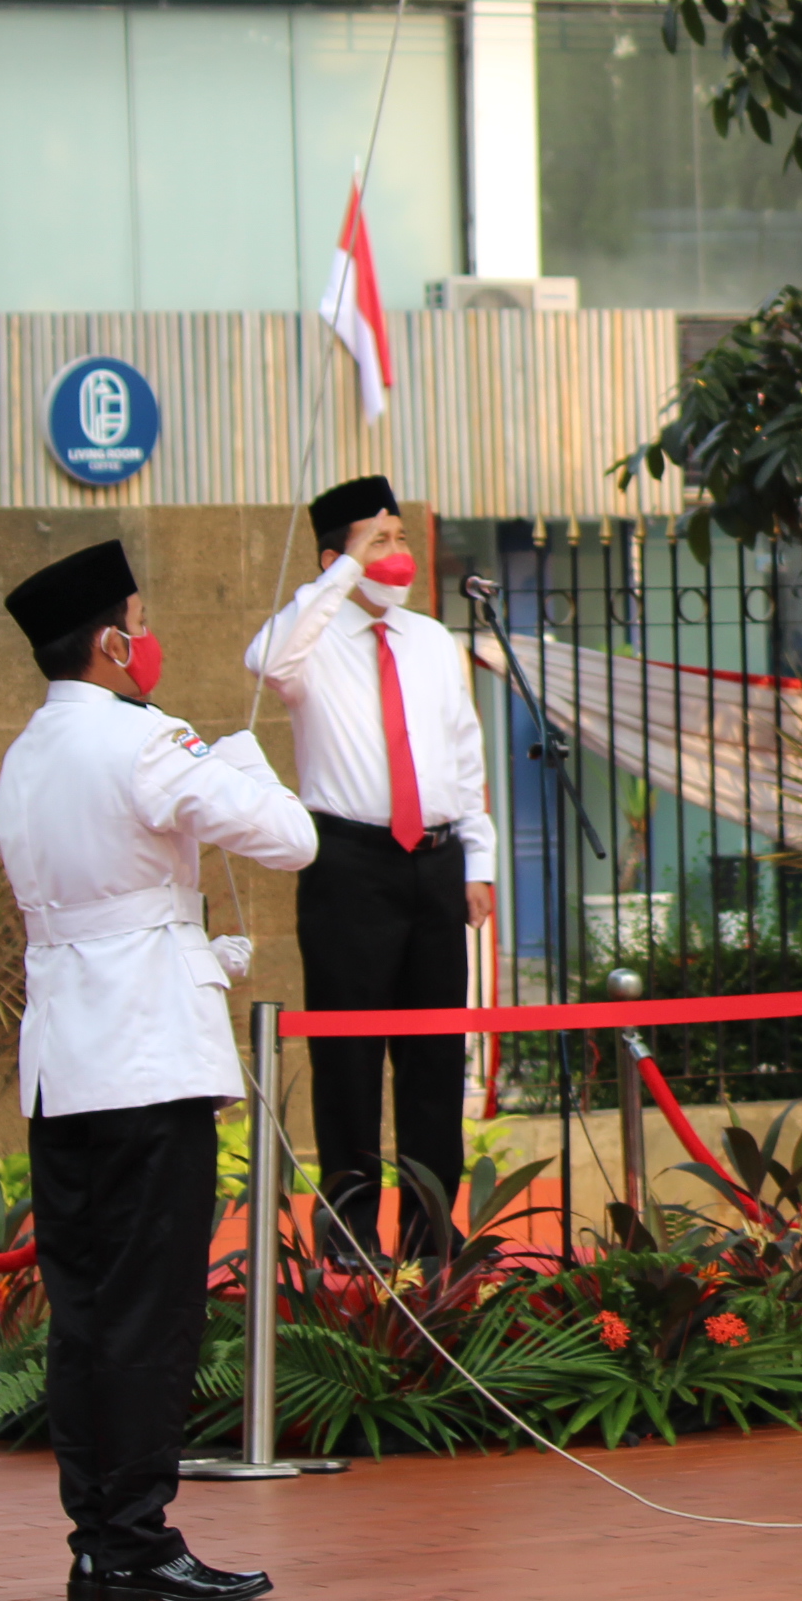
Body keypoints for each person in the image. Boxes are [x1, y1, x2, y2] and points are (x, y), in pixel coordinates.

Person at [0, 538, 316, 1601]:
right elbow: (291, 838)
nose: (149, 637)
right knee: (151, 1312)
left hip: (66, 1067)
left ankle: (102, 1536)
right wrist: (234, 759)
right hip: (145, 1063)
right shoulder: (139, 742)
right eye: (139, 617)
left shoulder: (26, 755)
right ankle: (134, 1541)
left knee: (87, 1315)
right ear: (112, 642)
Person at [244, 477, 496, 1267]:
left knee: (433, 1060)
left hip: (436, 861)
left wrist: (478, 858)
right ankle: (349, 1237)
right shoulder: (308, 643)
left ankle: (431, 1232)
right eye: (377, 539)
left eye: (399, 538)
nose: (397, 555)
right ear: (336, 556)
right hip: (349, 864)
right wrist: (339, 578)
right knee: (348, 1060)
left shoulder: (430, 641)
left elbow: (464, 754)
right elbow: (265, 657)